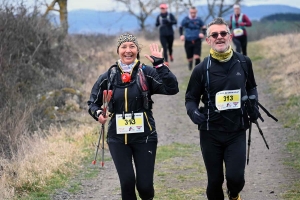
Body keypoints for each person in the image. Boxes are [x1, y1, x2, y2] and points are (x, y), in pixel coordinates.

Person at [87, 33, 179, 200]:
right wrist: (99, 114)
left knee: (145, 187)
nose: (128, 50)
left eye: (132, 46)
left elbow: (172, 88)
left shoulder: (147, 72)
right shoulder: (108, 76)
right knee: (127, 183)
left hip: (145, 137)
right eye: (124, 47)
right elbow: (92, 103)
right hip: (117, 138)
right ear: (118, 50)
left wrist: (160, 65)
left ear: (137, 50)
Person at [185, 17, 259, 200]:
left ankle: (234, 195)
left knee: (236, 179)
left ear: (230, 36)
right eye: (214, 34)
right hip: (211, 132)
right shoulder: (201, 69)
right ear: (208, 40)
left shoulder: (243, 62)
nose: (219, 37)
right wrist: (194, 113)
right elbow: (190, 99)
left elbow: (251, 87)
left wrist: (253, 105)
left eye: (223, 33)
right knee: (215, 181)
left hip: (237, 130)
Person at [179, 6, 206, 70]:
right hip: (188, 40)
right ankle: (190, 62)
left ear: (196, 12)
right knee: (189, 57)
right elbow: (180, 27)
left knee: (197, 56)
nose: (193, 14)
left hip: (197, 40)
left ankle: (197, 70)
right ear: (189, 12)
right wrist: (181, 35)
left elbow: (204, 28)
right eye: (191, 13)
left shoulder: (199, 20)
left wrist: (203, 33)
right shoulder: (185, 19)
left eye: (194, 12)